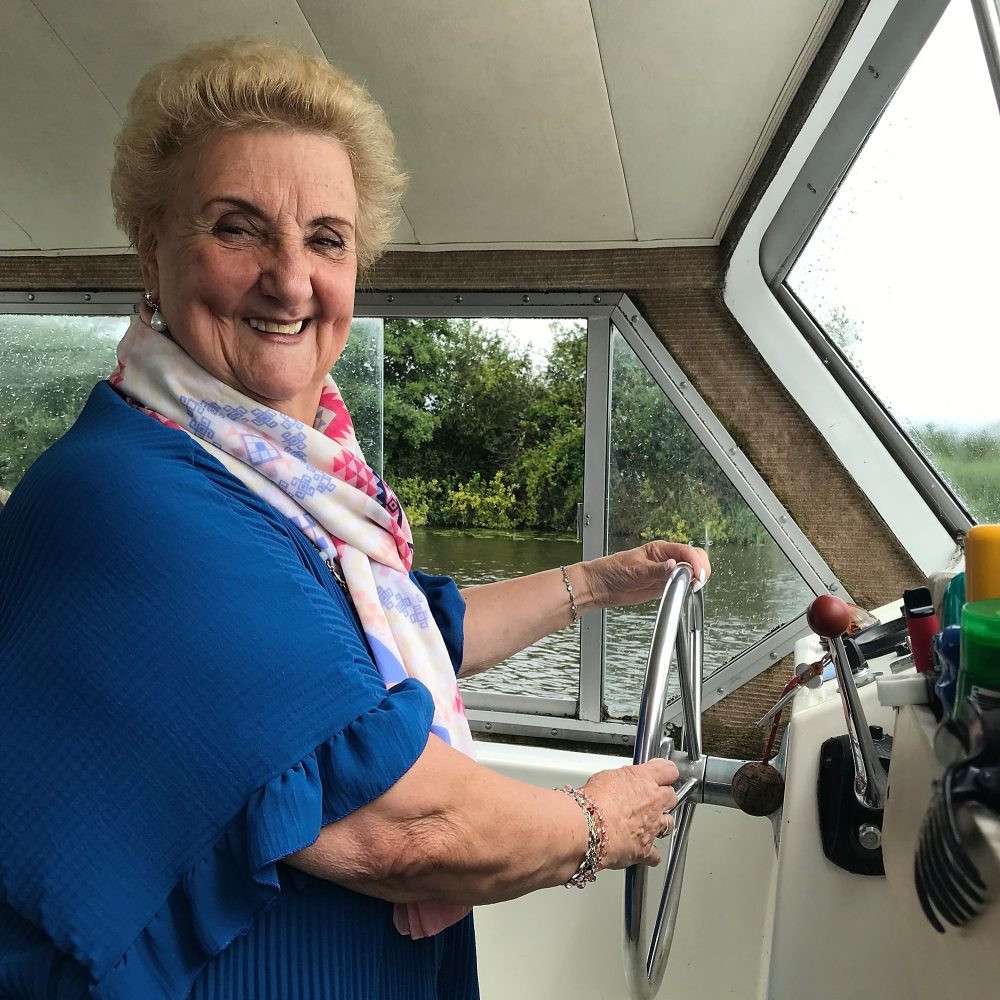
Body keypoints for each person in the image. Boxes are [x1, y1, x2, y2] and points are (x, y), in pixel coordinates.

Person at [0, 40, 711, 1000]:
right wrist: (597, 826)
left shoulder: (270, 475)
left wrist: (591, 585)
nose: (291, 282)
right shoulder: (130, 501)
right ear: (151, 248)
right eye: (239, 229)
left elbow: (405, 635)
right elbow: (406, 831)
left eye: (326, 240)